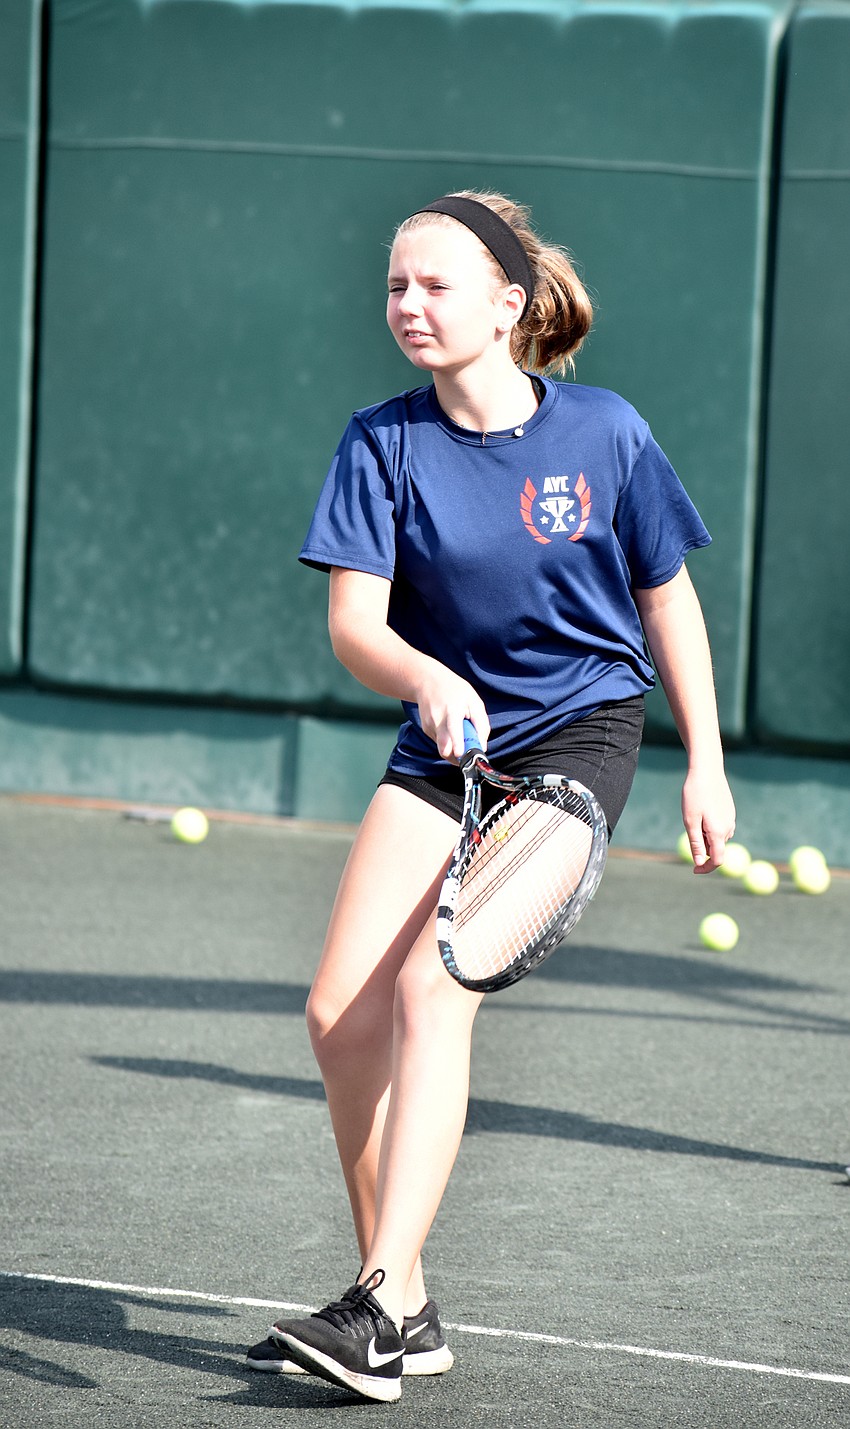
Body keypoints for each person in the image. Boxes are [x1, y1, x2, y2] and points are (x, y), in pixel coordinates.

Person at [245, 191, 736, 1402]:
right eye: (395, 286)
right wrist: (425, 673)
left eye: (435, 287)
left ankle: (372, 1300)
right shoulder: (381, 441)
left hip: (579, 740)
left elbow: (666, 598)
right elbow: (355, 624)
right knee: (336, 1018)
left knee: (434, 982)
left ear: (508, 306)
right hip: (443, 747)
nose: (407, 306)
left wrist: (708, 763)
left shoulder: (607, 434)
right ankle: (399, 1298)